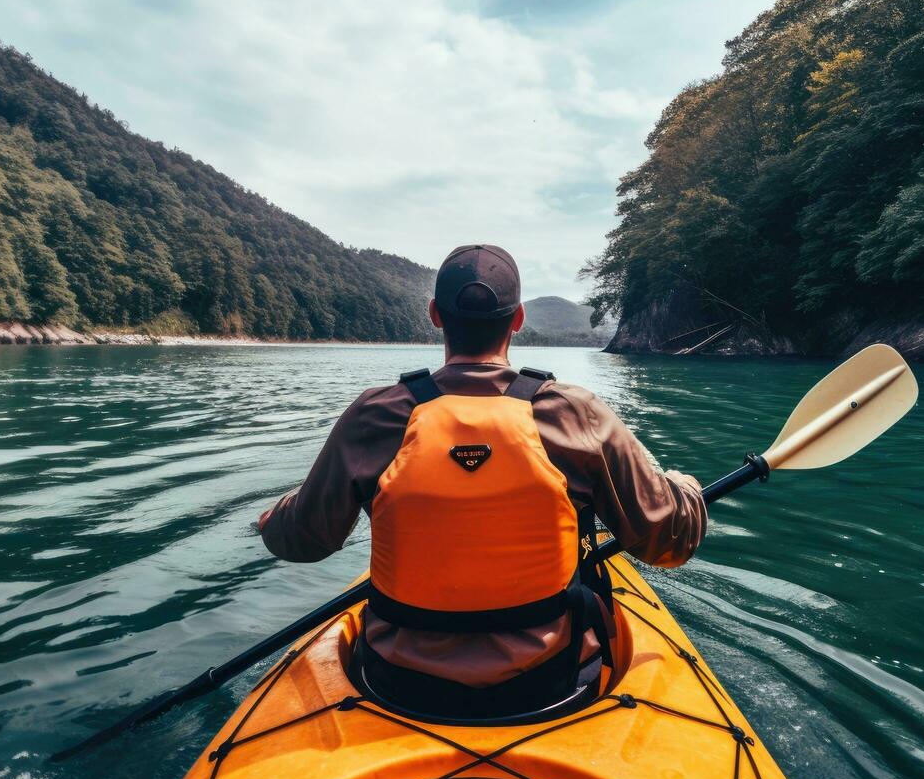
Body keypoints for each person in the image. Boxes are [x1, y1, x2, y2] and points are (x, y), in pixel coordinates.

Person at [258, 244, 705, 717]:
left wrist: (277, 514)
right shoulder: (575, 413)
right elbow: (667, 543)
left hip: (397, 686)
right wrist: (686, 488)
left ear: (434, 315)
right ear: (518, 320)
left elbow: (300, 542)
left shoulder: (376, 415)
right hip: (552, 684)